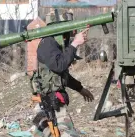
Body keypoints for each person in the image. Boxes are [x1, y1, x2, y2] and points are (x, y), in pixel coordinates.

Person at [30, 9, 94, 137]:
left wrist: (80, 88)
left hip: (52, 101)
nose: (69, 33)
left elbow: (60, 75)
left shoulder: (55, 43)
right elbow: (59, 66)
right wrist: (75, 44)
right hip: (50, 102)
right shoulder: (48, 43)